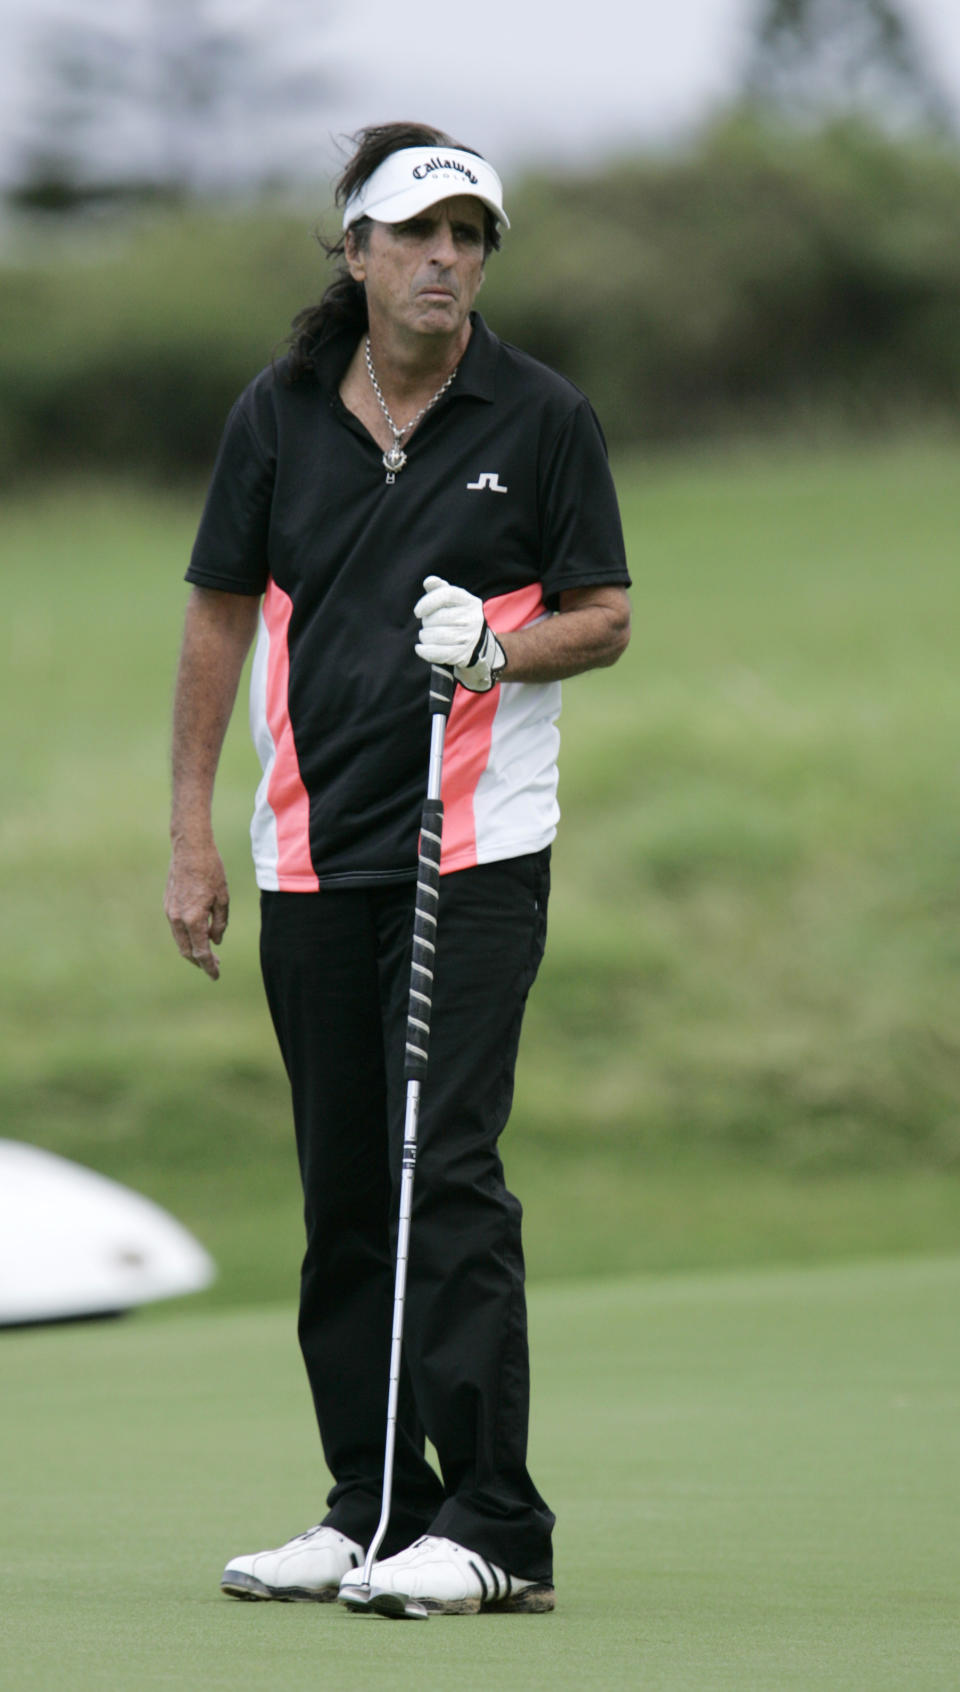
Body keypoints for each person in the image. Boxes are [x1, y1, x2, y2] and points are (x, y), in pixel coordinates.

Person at [164, 120, 631, 1617]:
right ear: (355, 251)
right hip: (308, 845)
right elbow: (220, 616)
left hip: (474, 845)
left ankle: (499, 1525)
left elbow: (606, 614)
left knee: (451, 1173)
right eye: (420, 235)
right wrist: (189, 829)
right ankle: (371, 1507)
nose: (449, 261)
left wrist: (502, 643)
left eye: (473, 237)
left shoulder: (541, 415)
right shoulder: (283, 409)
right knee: (345, 1188)